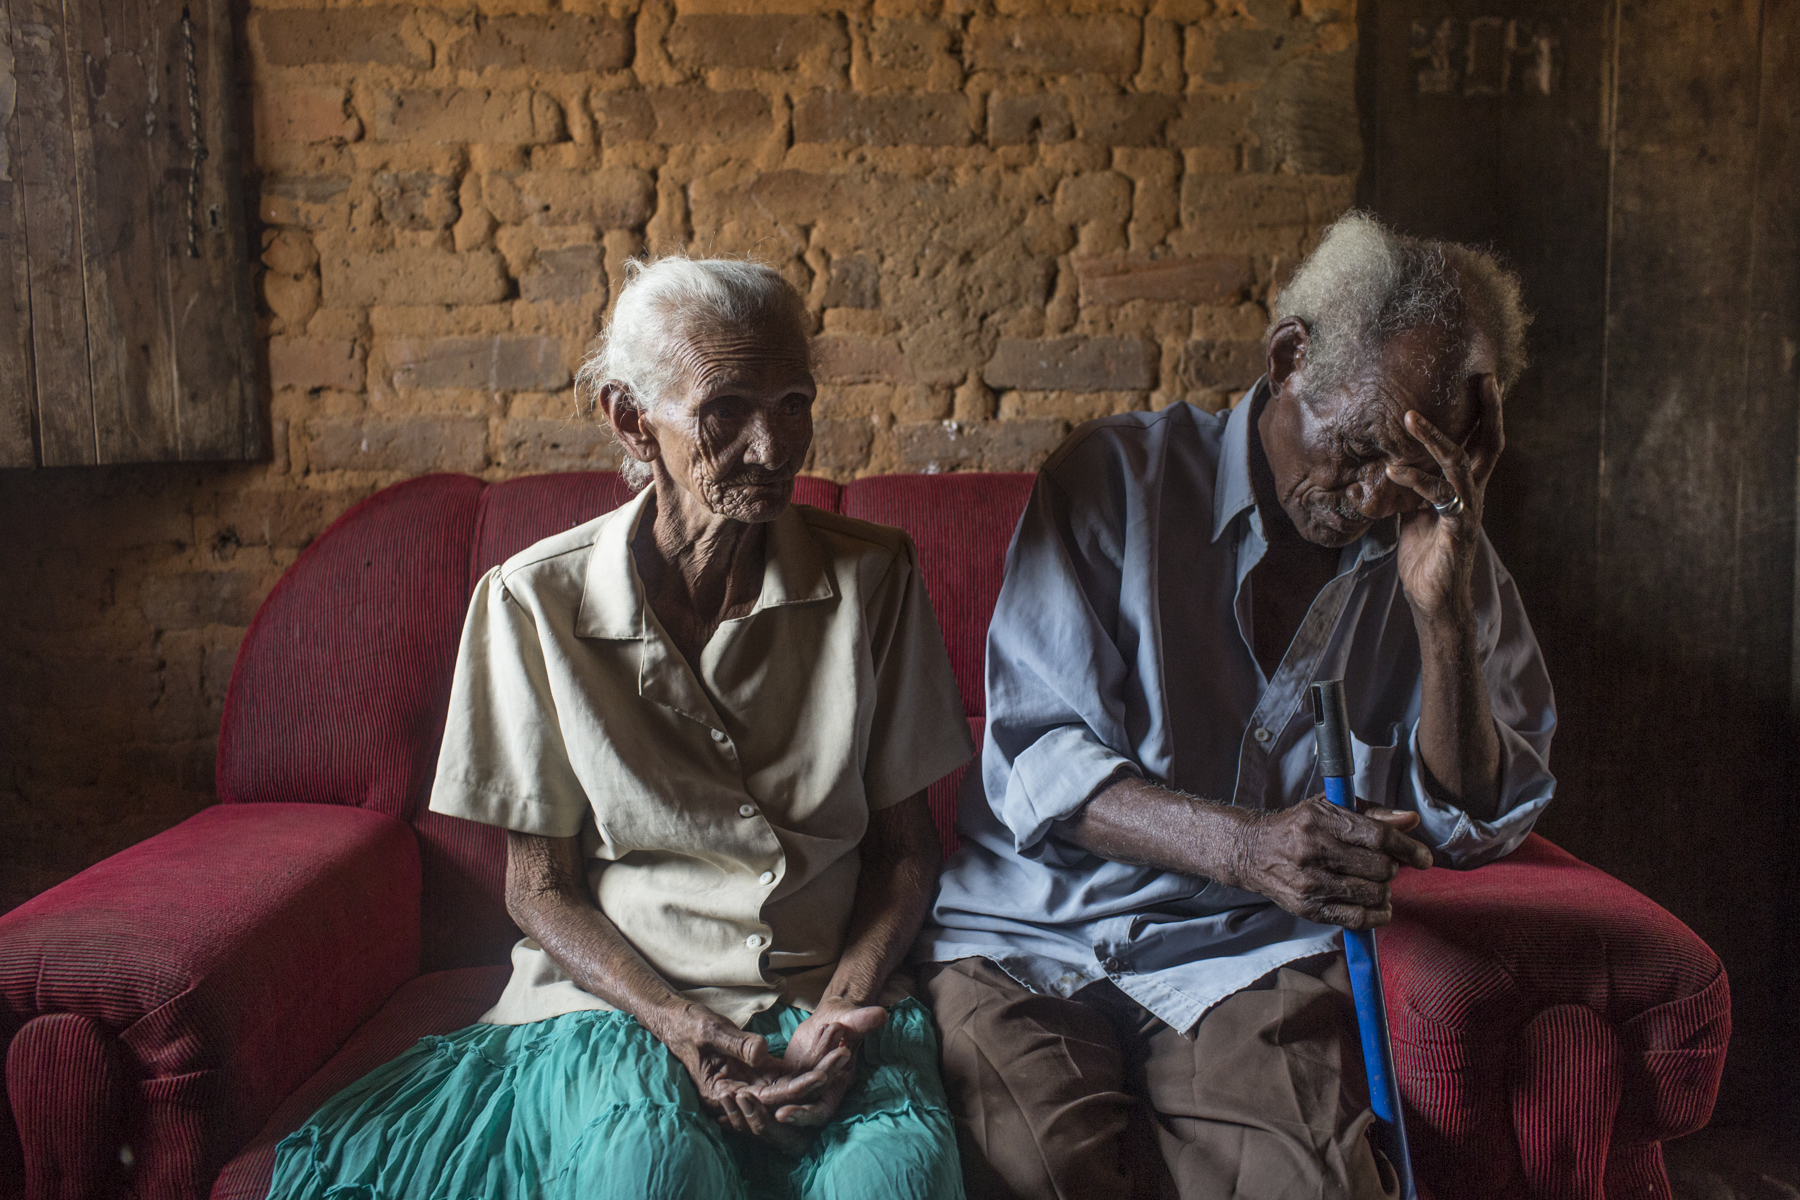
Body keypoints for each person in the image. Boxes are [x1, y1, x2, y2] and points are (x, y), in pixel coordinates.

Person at [265, 258, 974, 1200]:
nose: (775, 446)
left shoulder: (874, 578)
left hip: (820, 994)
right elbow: (540, 889)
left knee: (896, 1183)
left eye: (795, 402)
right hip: (623, 1004)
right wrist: (678, 1024)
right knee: (647, 1171)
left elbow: (904, 854)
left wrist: (842, 1015)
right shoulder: (533, 599)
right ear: (631, 418)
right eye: (727, 410)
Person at [917, 213, 1557, 1200]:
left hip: (1241, 952)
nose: (1375, 499)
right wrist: (1250, 847)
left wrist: (1441, 615)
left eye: (1419, 471)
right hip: (1029, 938)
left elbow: (1475, 821)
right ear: (1291, 355)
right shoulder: (1112, 481)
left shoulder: (1438, 550)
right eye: (1358, 451)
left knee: (1308, 1184)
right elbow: (1039, 765)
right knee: (1042, 1172)